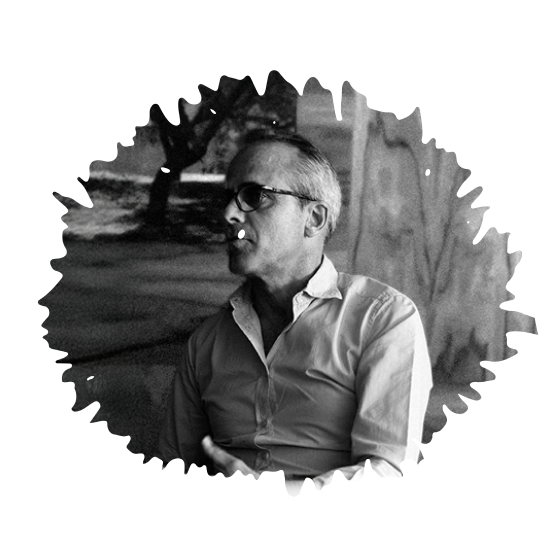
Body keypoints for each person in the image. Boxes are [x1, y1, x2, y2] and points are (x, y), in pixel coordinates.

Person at [157, 132, 433, 488]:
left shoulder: (382, 319)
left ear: (314, 218)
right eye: (227, 198)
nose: (228, 214)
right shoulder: (206, 342)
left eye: (254, 196)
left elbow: (387, 469)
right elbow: (173, 463)